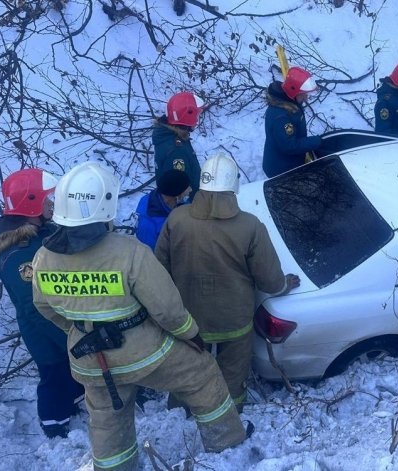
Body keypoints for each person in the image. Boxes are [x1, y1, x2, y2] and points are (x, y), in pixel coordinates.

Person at [31, 162, 247, 471]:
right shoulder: (128, 251)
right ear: (106, 204)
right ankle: (227, 443)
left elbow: (44, 307)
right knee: (202, 375)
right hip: (143, 352)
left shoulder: (43, 258)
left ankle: (115, 466)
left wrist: (81, 328)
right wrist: (190, 334)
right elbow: (167, 308)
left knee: (106, 418)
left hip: (88, 359)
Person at [155, 153, 300, 410]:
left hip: (188, 320)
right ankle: (230, 415)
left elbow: (159, 270)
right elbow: (268, 279)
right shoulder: (249, 226)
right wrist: (284, 285)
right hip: (233, 319)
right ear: (233, 186)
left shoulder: (176, 219)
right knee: (233, 372)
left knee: (188, 370)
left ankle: (181, 409)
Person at [0, 168, 85, 439]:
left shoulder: (36, 233)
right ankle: (53, 423)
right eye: (48, 199)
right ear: (31, 204)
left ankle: (72, 404)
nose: (53, 204)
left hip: (59, 322)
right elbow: (36, 308)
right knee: (53, 375)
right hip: (46, 332)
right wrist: (70, 335)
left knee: (68, 371)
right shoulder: (20, 257)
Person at [262, 67, 322, 177]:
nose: (306, 99)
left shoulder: (289, 103)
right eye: (303, 95)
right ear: (293, 92)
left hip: (289, 161)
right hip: (280, 169)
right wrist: (316, 141)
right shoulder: (281, 118)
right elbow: (290, 146)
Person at [153, 91, 206, 192]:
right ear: (186, 116)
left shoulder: (168, 137)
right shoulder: (177, 150)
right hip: (191, 205)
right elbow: (179, 192)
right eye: (196, 115)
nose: (197, 120)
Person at [134, 169, 191, 251]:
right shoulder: (148, 225)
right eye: (187, 188)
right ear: (176, 194)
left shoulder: (181, 202)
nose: (190, 190)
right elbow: (149, 256)